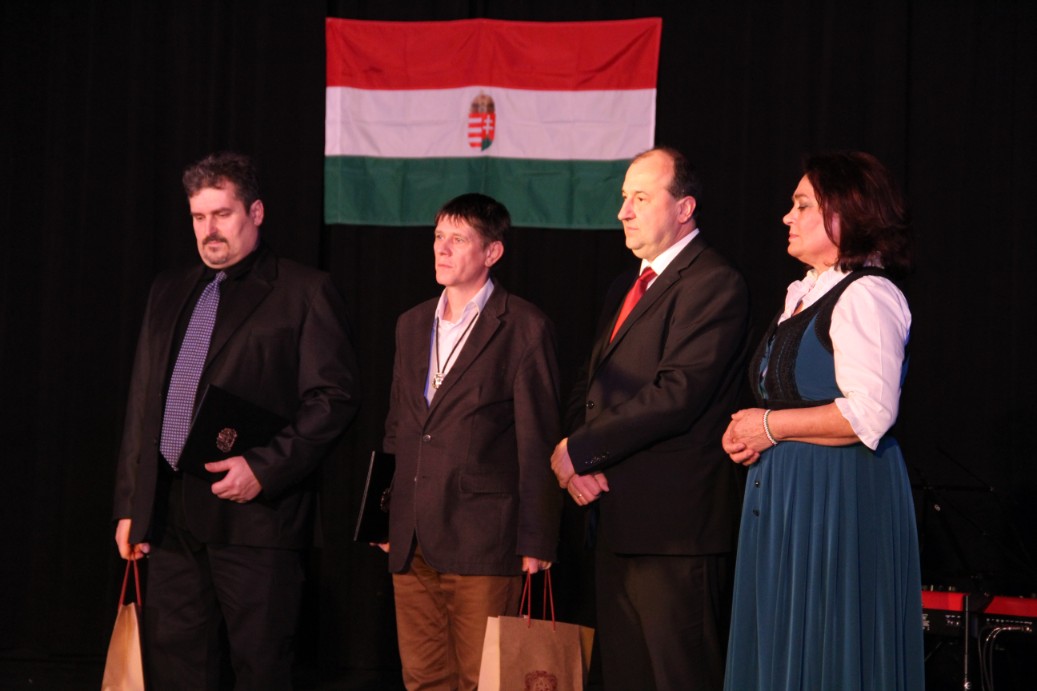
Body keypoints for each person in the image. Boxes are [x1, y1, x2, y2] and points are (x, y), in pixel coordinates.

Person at [112, 151, 360, 690]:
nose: (209, 230)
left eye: (222, 214)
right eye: (199, 217)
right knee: (177, 672)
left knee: (261, 670)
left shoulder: (304, 291)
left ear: (256, 213)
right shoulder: (168, 289)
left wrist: (264, 469)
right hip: (171, 517)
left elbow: (334, 398)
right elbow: (144, 401)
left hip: (256, 520)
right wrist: (132, 504)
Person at [721, 151, 924, 689]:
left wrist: (770, 427)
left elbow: (870, 413)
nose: (787, 217)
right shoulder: (805, 291)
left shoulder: (867, 294)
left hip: (837, 498)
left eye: (803, 205)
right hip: (787, 498)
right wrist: (752, 433)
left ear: (846, 212)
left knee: (827, 647)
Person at [551, 147, 750, 691]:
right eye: (624, 198)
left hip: (675, 531)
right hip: (614, 519)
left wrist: (579, 450)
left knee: (679, 676)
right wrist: (577, 454)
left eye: (640, 198)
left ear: (684, 208)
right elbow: (589, 385)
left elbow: (677, 394)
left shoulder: (714, 281)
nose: (624, 211)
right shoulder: (625, 285)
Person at [381, 193, 562, 691]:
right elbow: (397, 426)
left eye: (458, 239)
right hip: (411, 536)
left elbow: (538, 439)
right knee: (423, 677)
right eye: (438, 236)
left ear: (492, 252)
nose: (442, 248)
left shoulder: (524, 326)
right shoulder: (411, 323)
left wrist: (537, 539)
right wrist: (382, 515)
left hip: (483, 539)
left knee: (484, 679)